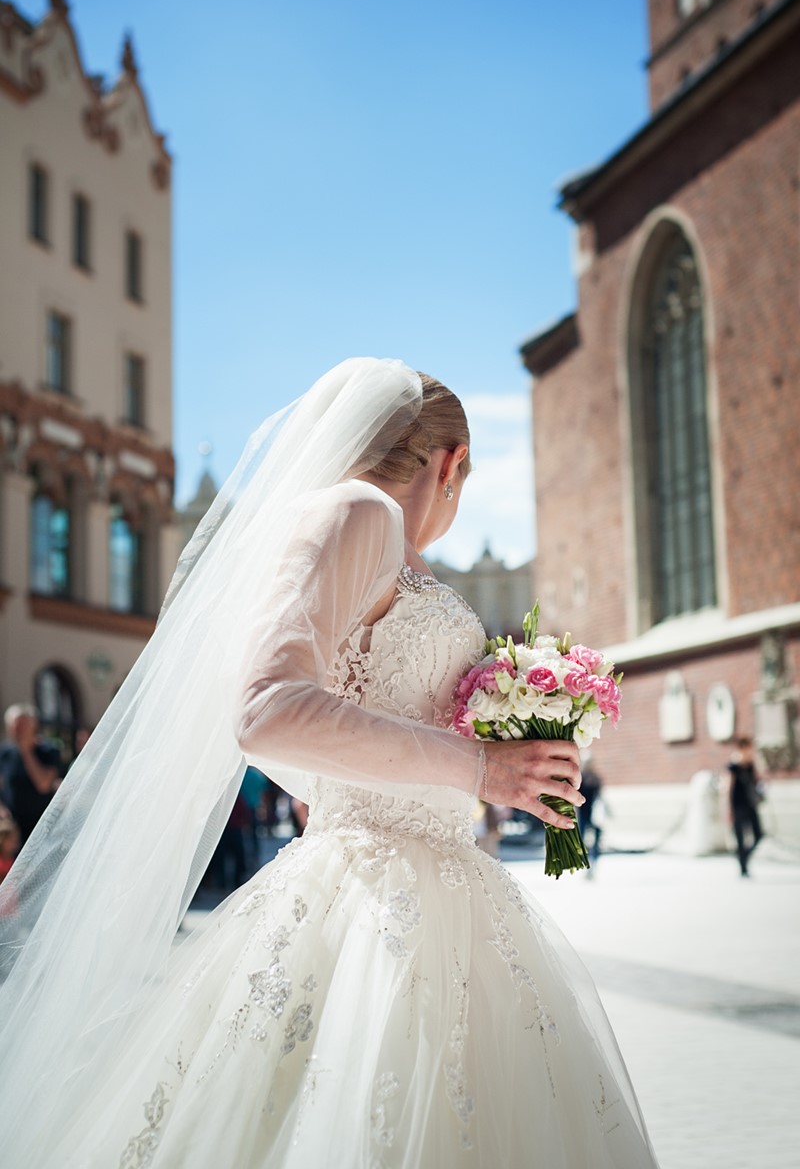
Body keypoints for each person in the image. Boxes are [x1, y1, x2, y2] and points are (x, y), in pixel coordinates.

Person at [0, 359, 658, 1167]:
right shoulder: (359, 512)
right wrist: (476, 767)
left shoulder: (384, 541)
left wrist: (493, 767)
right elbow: (266, 710)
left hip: (443, 885)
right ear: (450, 465)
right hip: (370, 899)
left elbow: (333, 721)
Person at [0, 704, 62, 846]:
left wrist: (25, 750)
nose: (17, 730)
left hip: (43, 830)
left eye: (22, 725)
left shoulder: (48, 751)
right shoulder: (4, 753)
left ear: (33, 726)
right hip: (13, 834)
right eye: (14, 725)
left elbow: (43, 784)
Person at [727, 736, 763, 877]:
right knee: (740, 837)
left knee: (758, 834)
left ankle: (743, 857)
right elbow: (727, 790)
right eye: (748, 748)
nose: (750, 751)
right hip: (737, 806)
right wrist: (728, 810)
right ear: (741, 749)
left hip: (750, 805)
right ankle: (743, 867)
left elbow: (758, 782)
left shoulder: (751, 766)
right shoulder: (732, 767)